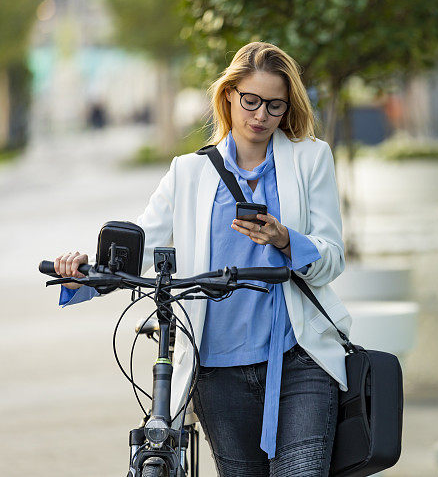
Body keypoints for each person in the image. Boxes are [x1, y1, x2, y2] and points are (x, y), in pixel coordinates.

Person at [53, 42, 351, 476]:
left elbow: (332, 257)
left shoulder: (310, 159)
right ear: (229, 95)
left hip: (298, 361)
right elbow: (141, 249)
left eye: (274, 106)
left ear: (287, 109)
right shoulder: (188, 172)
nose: (260, 115)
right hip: (218, 371)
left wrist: (287, 240)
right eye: (251, 101)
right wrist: (81, 275)